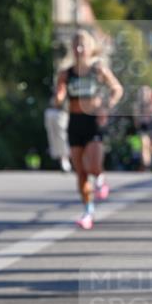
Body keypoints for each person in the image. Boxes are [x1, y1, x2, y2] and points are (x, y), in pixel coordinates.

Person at [53, 30, 123, 230]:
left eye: (83, 45)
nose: (79, 49)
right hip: (74, 122)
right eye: (76, 45)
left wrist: (107, 105)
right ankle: (88, 211)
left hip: (93, 121)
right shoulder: (66, 73)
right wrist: (58, 98)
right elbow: (59, 95)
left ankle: (100, 179)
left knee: (93, 164)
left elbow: (117, 89)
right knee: (81, 172)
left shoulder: (97, 69)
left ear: (90, 48)